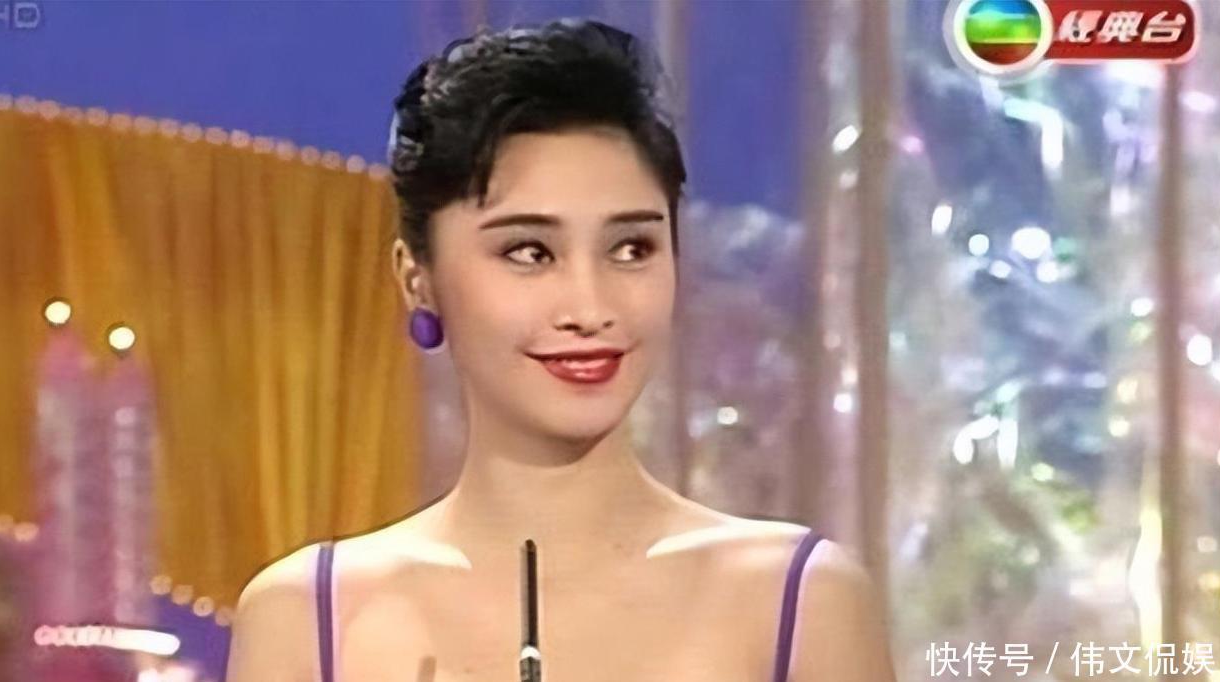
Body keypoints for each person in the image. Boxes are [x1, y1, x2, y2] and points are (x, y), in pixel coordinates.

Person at [226, 18, 896, 682]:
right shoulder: (307, 619)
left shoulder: (799, 603)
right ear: (416, 279)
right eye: (530, 252)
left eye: (630, 248)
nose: (589, 307)